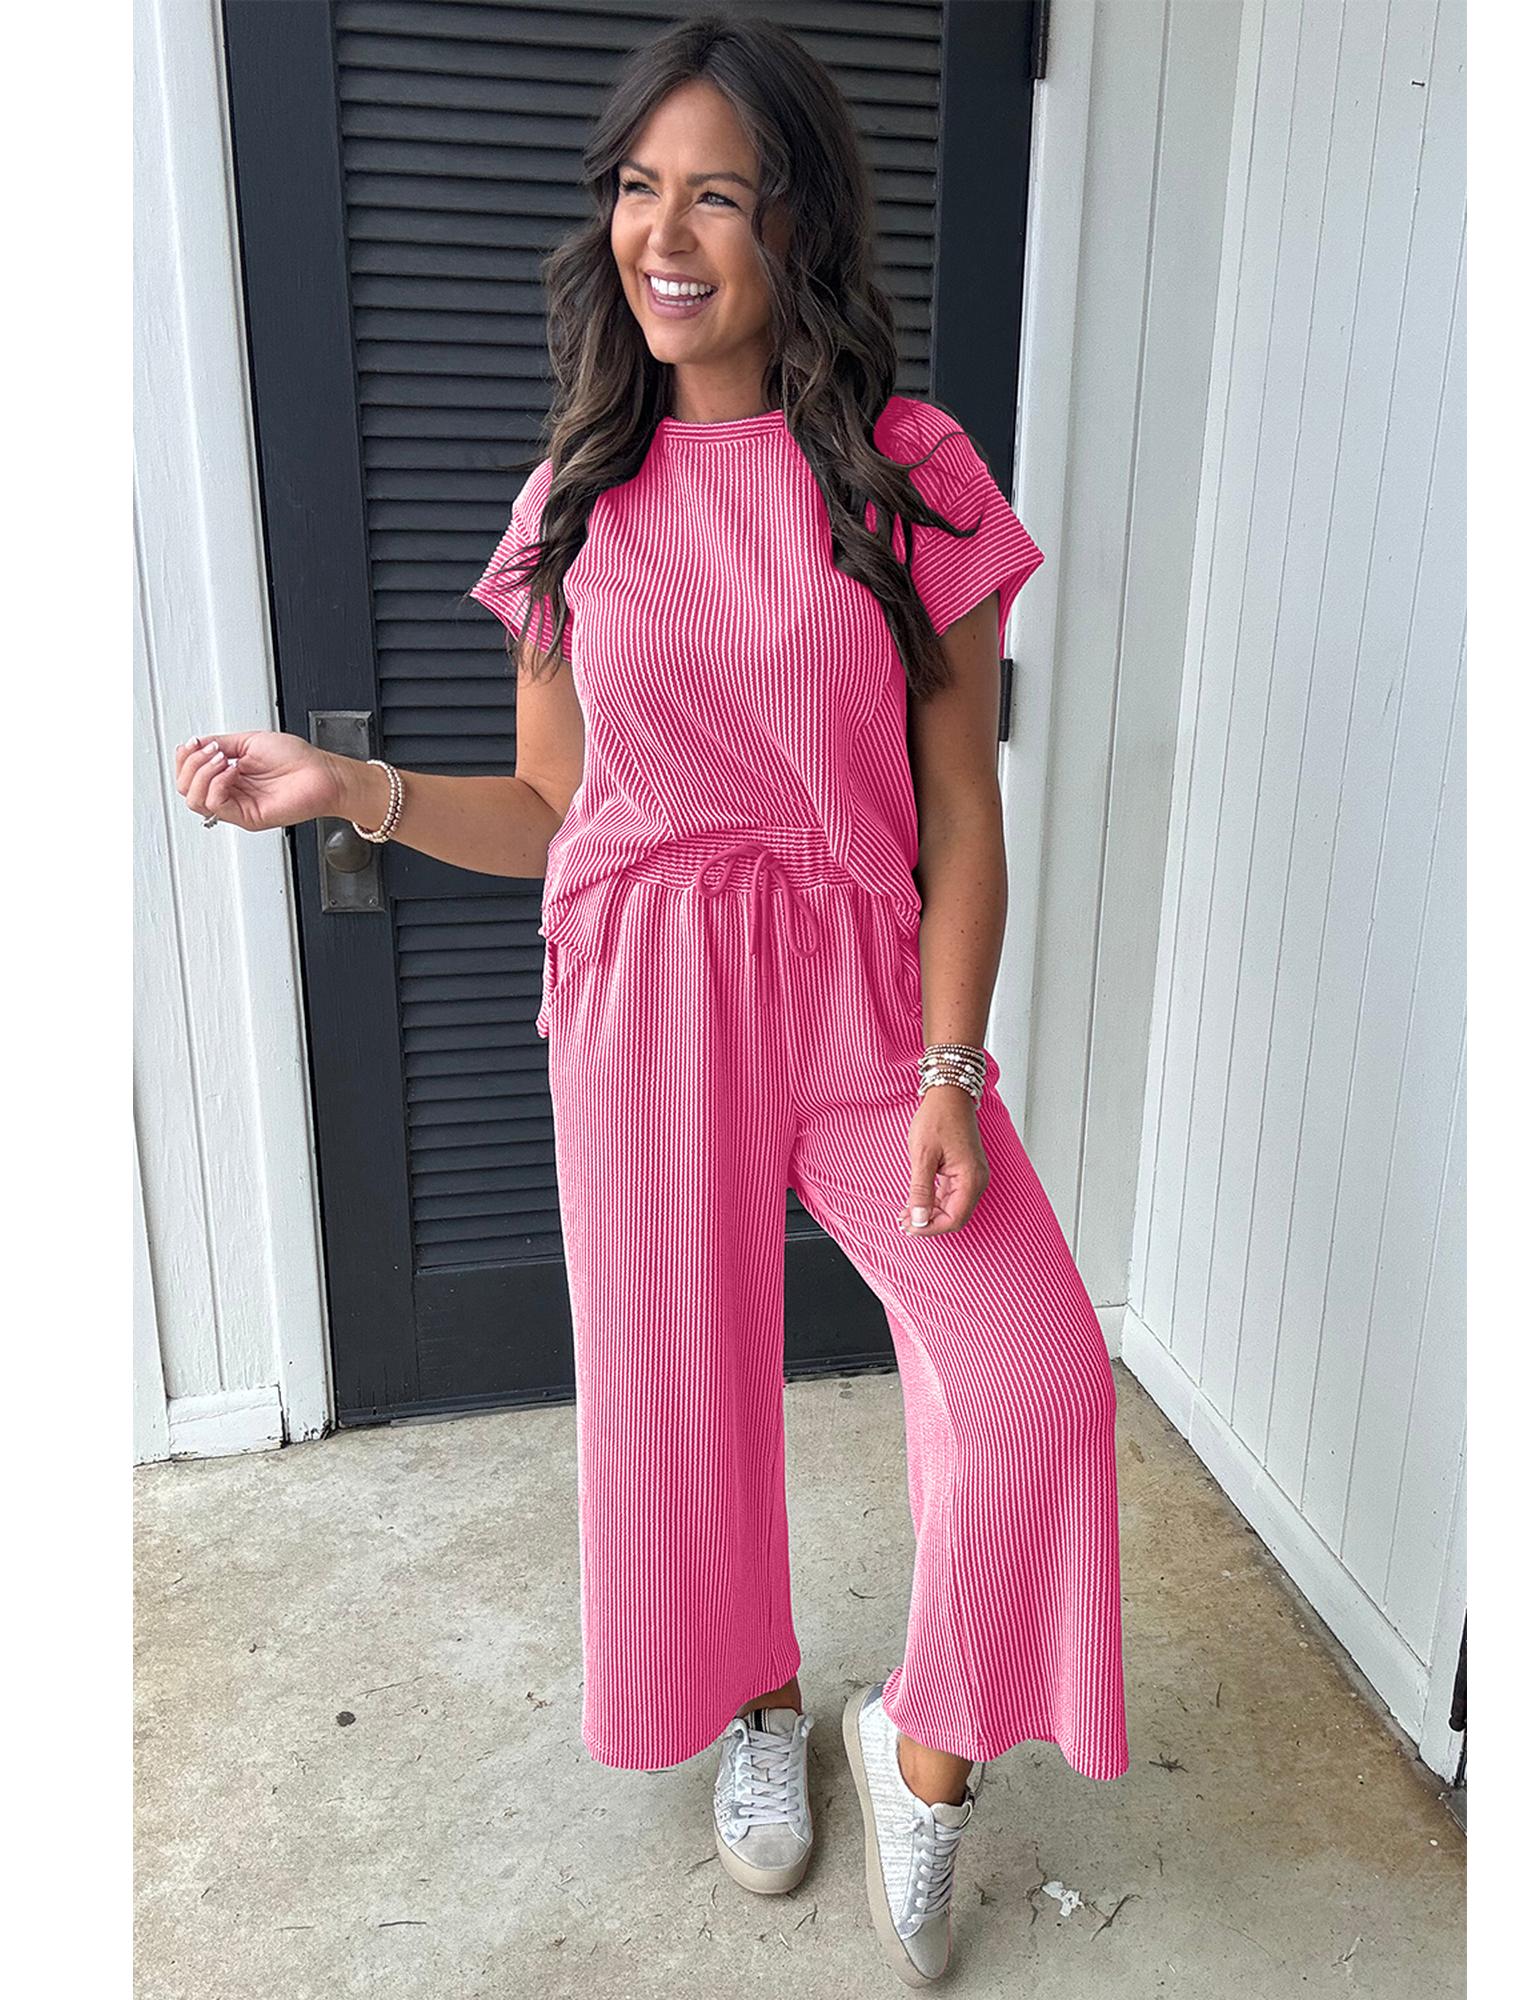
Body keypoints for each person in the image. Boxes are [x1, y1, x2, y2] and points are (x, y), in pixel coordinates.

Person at [173, 13, 1128, 1987]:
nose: (663, 236)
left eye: (716, 193)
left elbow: (964, 812)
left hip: (860, 997)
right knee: (678, 1399)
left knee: (1033, 1371)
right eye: (636, 188)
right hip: (644, 997)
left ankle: (924, 1742)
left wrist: (950, 1064)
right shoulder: (575, 499)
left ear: (800, 220)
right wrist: (349, 788)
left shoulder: (911, 474)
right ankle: (754, 1701)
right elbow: (554, 810)